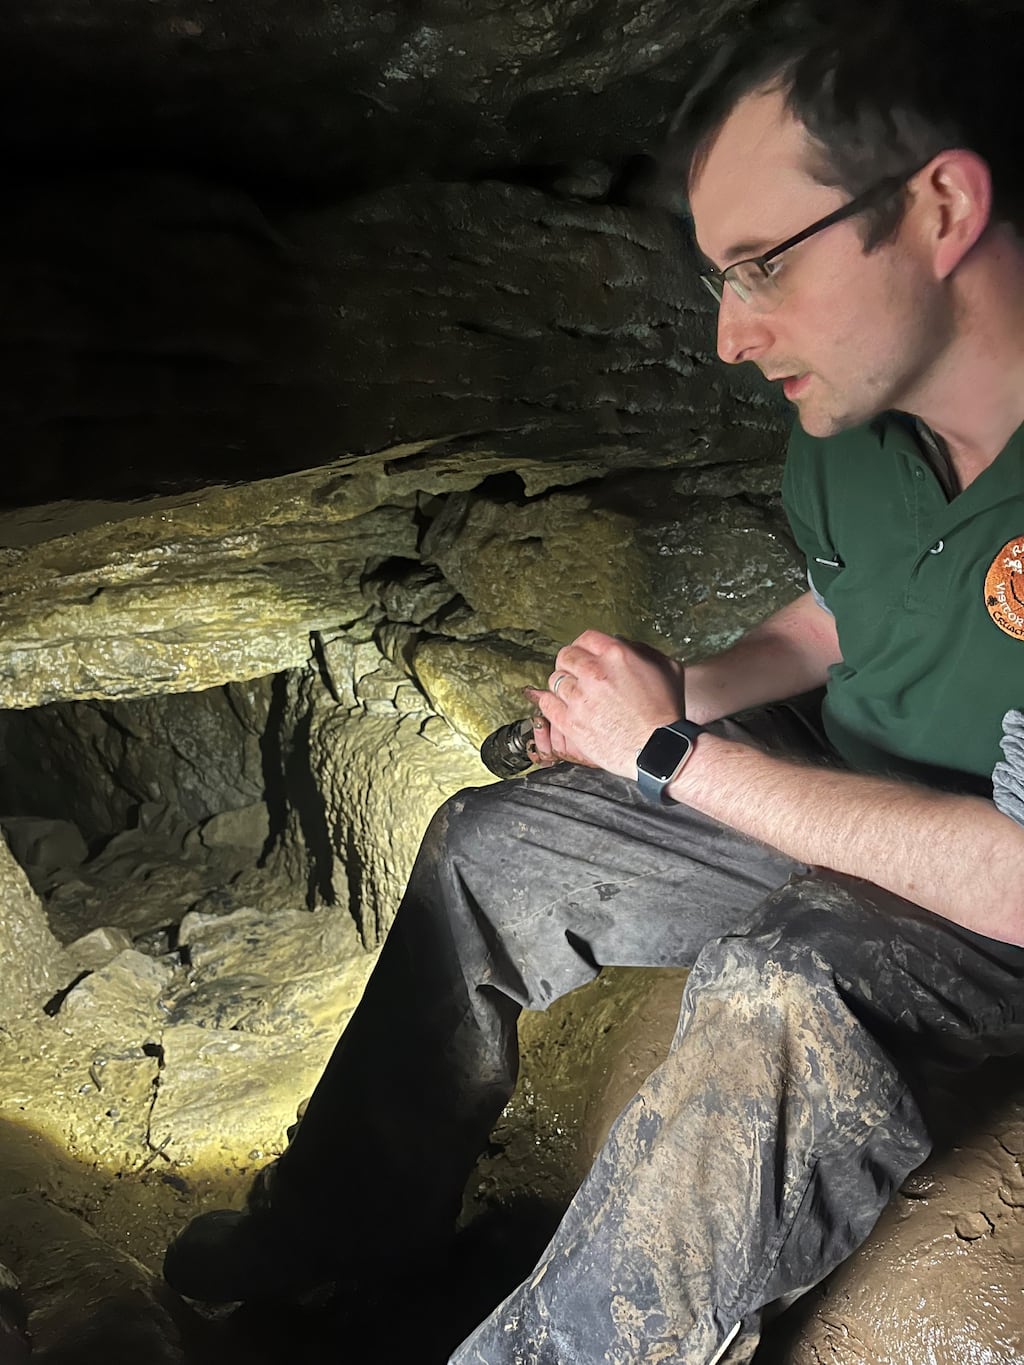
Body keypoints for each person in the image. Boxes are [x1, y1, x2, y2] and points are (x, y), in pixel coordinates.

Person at [164, 1, 1024, 1359]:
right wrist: (685, 691)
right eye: (716, 280)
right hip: (841, 776)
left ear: (940, 206)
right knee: (487, 848)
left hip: (984, 888)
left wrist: (677, 760)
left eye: (762, 267)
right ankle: (334, 1240)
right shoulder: (861, 412)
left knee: (777, 994)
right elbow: (847, 608)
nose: (733, 337)